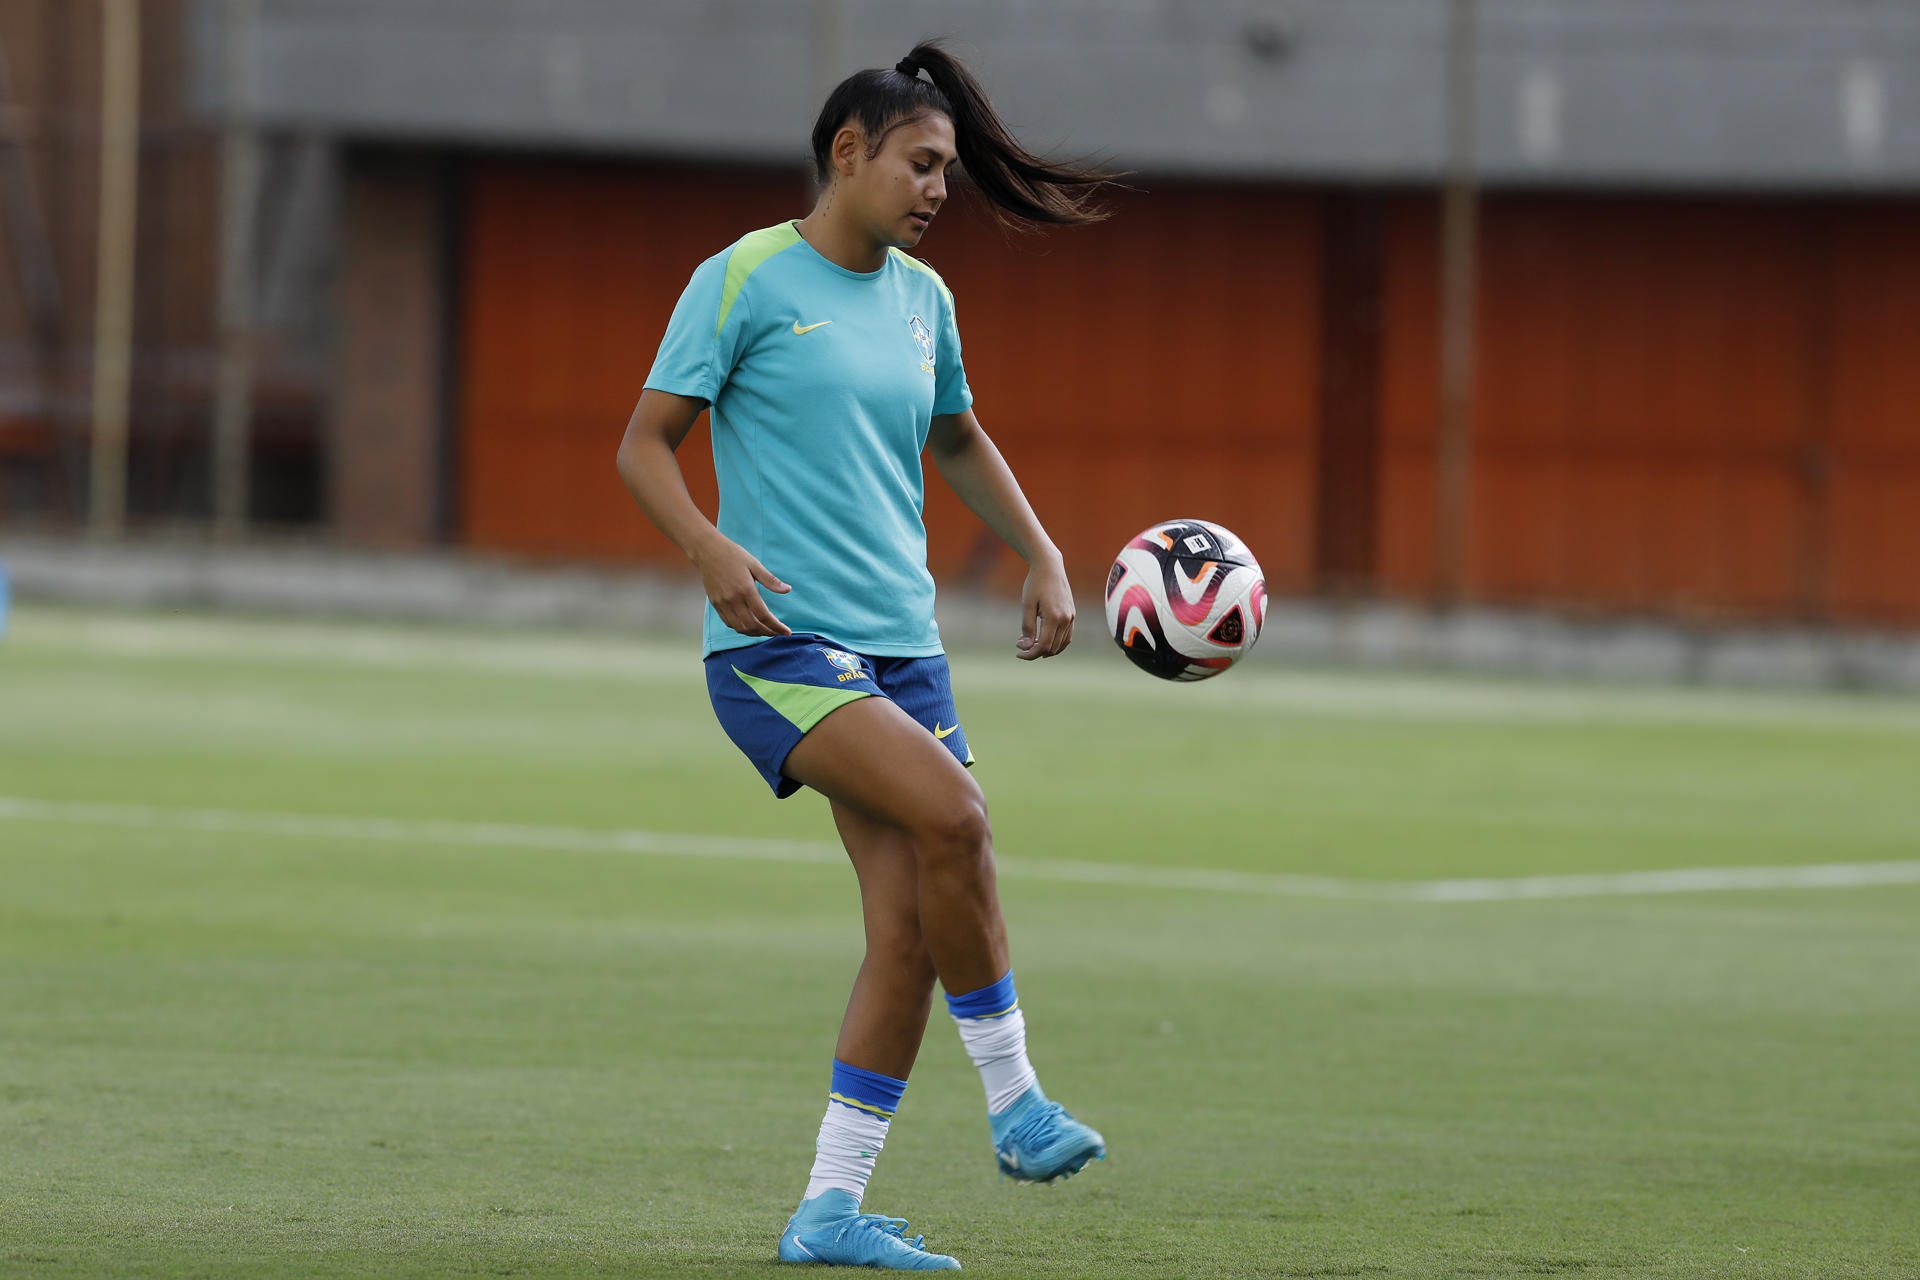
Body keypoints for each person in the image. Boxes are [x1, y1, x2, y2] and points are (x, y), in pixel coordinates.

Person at [615, 39, 1121, 1271]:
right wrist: (707, 548)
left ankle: (829, 1212)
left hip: (907, 651)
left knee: (905, 928)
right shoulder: (742, 278)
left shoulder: (922, 299)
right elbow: (643, 444)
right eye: (922, 163)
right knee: (959, 815)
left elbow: (958, 439)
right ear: (849, 151)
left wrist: (1048, 553)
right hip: (782, 647)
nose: (940, 189)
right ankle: (1014, 1102)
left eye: (948, 168)